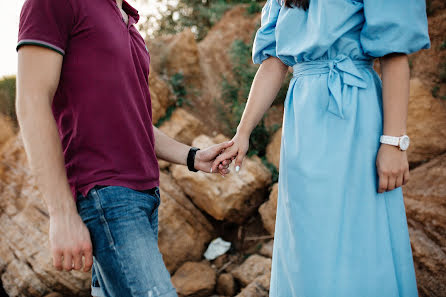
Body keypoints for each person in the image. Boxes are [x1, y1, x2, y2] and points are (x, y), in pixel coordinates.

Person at [212, 0, 430, 296]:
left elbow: (394, 53)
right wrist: (242, 133)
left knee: (359, 231)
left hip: (354, 112)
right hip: (303, 123)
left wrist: (393, 142)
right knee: (307, 239)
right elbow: (274, 62)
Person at [15, 0, 232, 296]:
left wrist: (192, 157)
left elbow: (135, 118)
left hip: (146, 195)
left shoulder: (126, 17)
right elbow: (31, 101)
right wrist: (62, 213)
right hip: (105, 194)